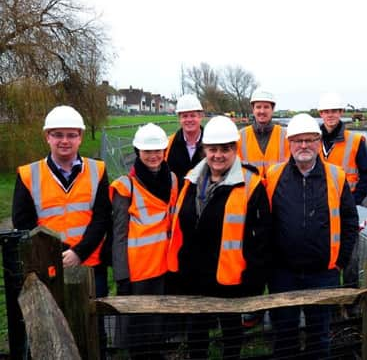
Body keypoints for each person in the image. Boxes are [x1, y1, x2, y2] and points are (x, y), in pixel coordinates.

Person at [167, 115, 272, 359]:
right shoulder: (191, 180)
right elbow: (181, 225)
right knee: (197, 332)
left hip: (231, 278)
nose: (218, 155)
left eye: (225, 149)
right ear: (205, 149)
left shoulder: (251, 184)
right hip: (194, 275)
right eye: (213, 149)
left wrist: (254, 279)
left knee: (231, 334)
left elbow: (262, 237)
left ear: (235, 149)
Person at [265, 113, 359, 359]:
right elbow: (264, 222)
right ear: (289, 143)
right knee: (284, 334)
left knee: (319, 334)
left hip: (322, 274)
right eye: (298, 141)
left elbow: (350, 222)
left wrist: (340, 261)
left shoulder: (337, 176)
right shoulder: (272, 176)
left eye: (309, 140)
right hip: (282, 273)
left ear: (319, 143)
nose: (304, 146)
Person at [12, 105, 112, 299]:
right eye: (58, 135)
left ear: (80, 137)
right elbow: (23, 223)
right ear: (47, 137)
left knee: (94, 326)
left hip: (90, 264)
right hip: (48, 265)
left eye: (71, 135)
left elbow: (102, 218)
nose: (65, 141)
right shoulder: (28, 174)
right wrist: (59, 253)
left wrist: (78, 253)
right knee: (53, 325)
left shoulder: (97, 170)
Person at [110, 123, 178, 359]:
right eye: (148, 151)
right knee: (138, 333)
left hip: (164, 267)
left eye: (158, 150)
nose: (153, 156)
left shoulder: (172, 180)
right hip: (137, 273)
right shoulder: (125, 186)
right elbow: (119, 235)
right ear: (138, 151)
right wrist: (122, 276)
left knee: (158, 327)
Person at [318, 92, 367, 291]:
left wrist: (353, 201)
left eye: (334, 111)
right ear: (321, 114)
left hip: (345, 211)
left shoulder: (355, 141)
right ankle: (327, 298)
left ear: (341, 112)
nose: (330, 115)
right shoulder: (312, 140)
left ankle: (351, 300)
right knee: (323, 256)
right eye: (326, 111)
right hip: (318, 211)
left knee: (349, 257)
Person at [237, 89, 289, 177]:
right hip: (251, 189)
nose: (262, 111)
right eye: (258, 107)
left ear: (272, 110)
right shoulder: (240, 136)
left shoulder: (285, 135)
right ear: (253, 110)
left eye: (266, 107)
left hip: (278, 189)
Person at [166, 93, 205, 190]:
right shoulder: (169, 143)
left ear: (200, 116)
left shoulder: (211, 142)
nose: (189, 120)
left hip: (204, 202)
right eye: (185, 116)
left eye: (193, 115)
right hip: (176, 202)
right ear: (179, 118)